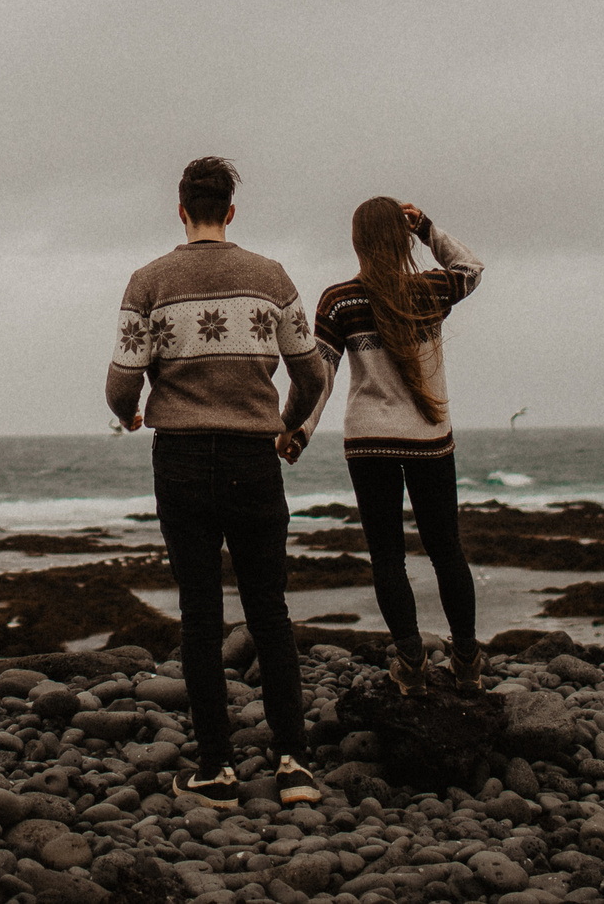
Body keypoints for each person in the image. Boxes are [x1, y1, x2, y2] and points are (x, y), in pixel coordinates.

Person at [108, 155, 332, 810]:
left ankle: (216, 768)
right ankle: (293, 765)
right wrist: (287, 424)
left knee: (201, 619)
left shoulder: (149, 281)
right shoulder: (270, 276)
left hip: (181, 456)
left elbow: (122, 382)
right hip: (253, 456)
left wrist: (130, 414)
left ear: (181, 209)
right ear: (230, 210)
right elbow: (313, 374)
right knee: (270, 612)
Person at [312, 197, 485, 694]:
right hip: (429, 439)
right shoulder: (430, 289)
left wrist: (298, 429)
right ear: (402, 239)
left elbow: (320, 374)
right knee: (446, 550)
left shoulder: (338, 299)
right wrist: (428, 227)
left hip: (369, 444)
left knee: (387, 557)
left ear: (357, 241)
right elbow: (470, 268)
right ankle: (468, 662)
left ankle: (411, 664)